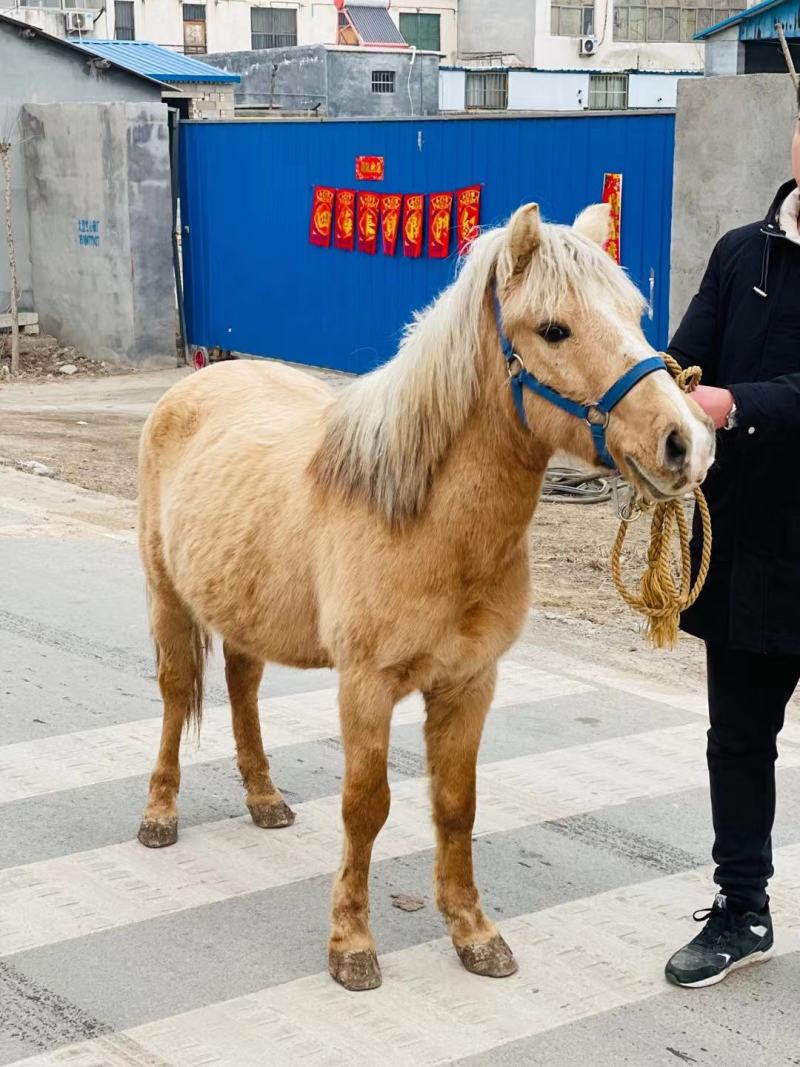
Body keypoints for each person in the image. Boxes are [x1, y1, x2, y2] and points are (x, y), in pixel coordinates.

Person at [662, 85, 800, 988]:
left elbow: (742, 395)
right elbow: (685, 361)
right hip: (749, 547)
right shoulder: (741, 252)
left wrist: (739, 404)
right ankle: (742, 908)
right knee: (739, 741)